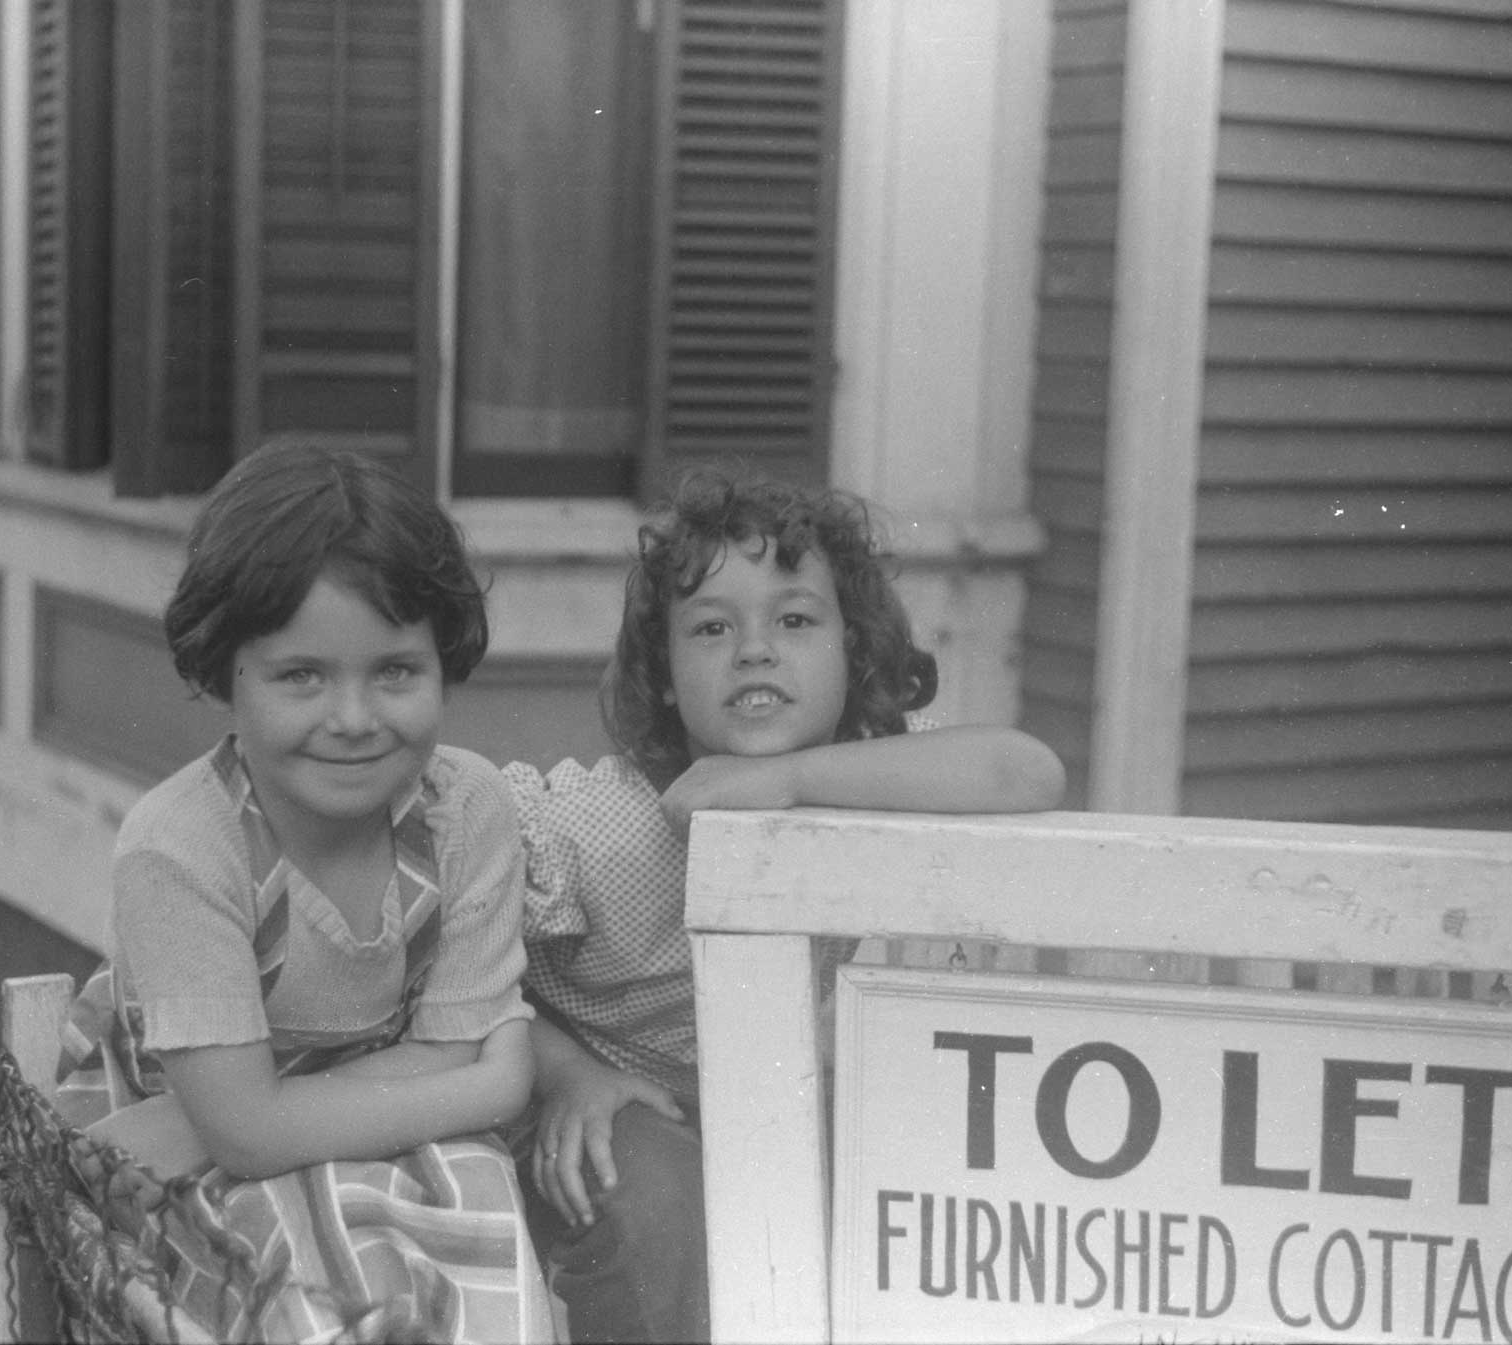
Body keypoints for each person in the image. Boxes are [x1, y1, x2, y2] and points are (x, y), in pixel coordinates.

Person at [505, 469, 1068, 1343]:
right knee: (650, 1193)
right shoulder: (594, 822)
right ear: (661, 672)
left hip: (814, 1127)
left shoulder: (877, 779)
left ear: (856, 651)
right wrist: (568, 1074)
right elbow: (455, 950)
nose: (755, 649)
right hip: (644, 1117)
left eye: (796, 619)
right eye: (712, 627)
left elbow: (1028, 771)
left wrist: (788, 778)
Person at [54, 445, 554, 1344]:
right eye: (301, 676)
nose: (355, 718)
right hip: (193, 1170)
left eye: (396, 671)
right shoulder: (184, 846)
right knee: (312, 1258)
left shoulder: (467, 808)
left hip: (338, 1140)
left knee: (475, 1221)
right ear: (224, 673)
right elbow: (249, 1136)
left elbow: (443, 1054)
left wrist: (260, 1114)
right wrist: (496, 1081)